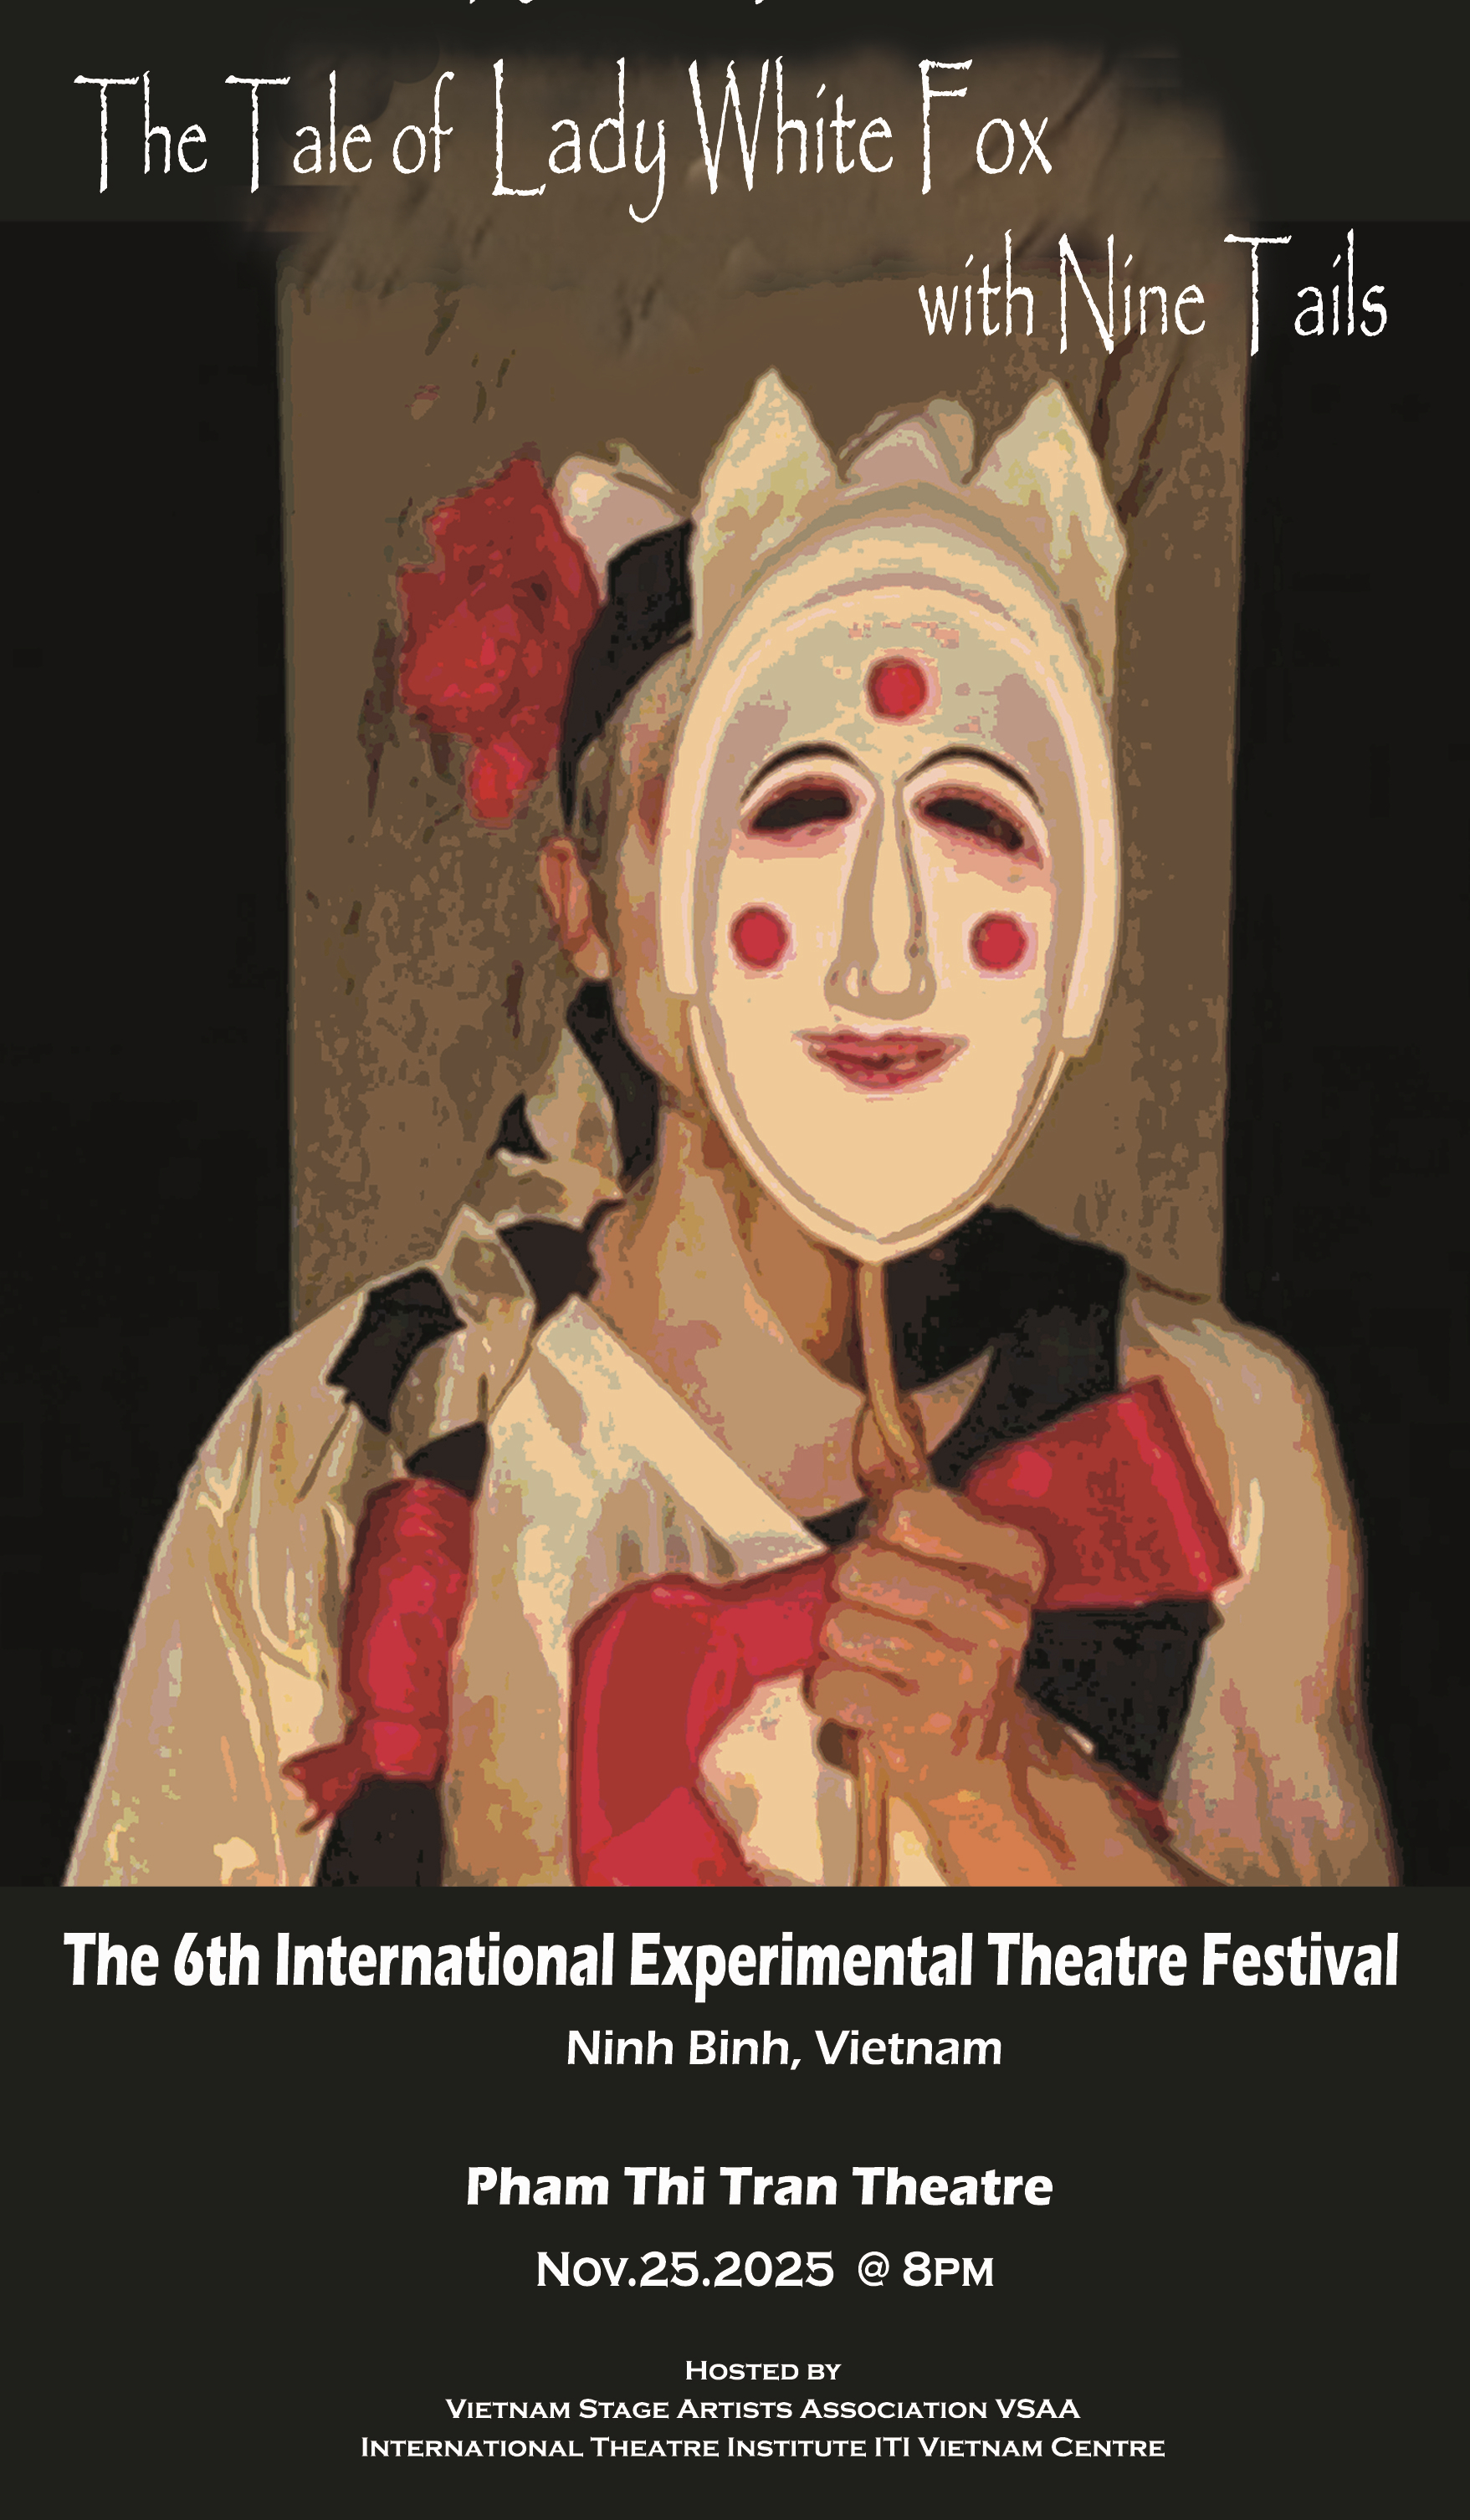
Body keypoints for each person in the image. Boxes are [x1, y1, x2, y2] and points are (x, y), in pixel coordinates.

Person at [65, 375, 1395, 1889]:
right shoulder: (345, 1441)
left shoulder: (1213, 1429)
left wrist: (1010, 1793)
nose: (880, 945)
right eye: (781, 811)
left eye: (971, 819)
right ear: (582, 907)